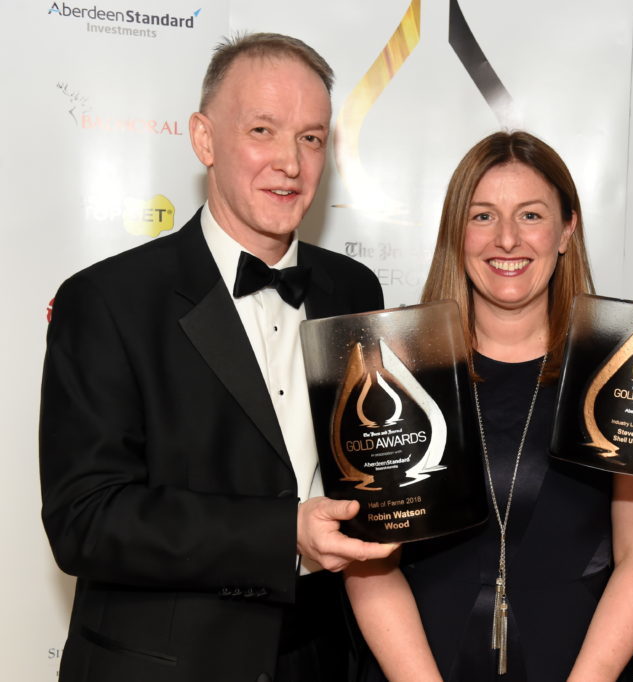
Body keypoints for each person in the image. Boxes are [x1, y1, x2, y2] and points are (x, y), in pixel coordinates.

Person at [39, 33, 397, 682]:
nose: (290, 162)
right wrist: (281, 532)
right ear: (204, 140)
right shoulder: (107, 301)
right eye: (263, 129)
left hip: (323, 660)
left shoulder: (354, 291)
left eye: (311, 138)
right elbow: (84, 521)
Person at [343, 131, 633, 681]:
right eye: (481, 216)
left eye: (530, 215)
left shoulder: (620, 366)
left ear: (566, 230)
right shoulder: (395, 368)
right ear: (456, 231)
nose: (506, 239)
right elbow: (368, 560)